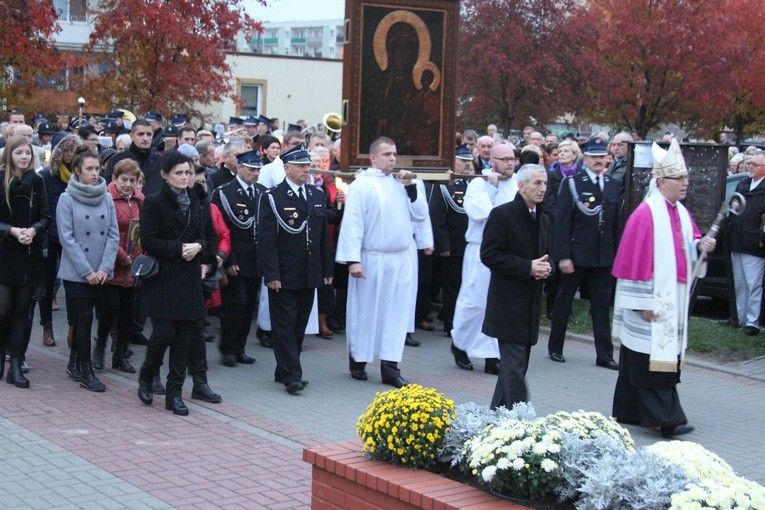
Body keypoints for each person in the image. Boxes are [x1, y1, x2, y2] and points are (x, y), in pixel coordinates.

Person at [611, 139, 716, 438]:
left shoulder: (679, 212)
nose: (686, 183)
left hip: (670, 299)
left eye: (686, 177)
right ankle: (667, 419)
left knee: (636, 359)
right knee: (651, 360)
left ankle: (629, 410)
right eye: (679, 178)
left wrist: (700, 245)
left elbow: (689, 245)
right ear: (661, 182)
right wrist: (641, 302)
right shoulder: (645, 216)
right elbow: (632, 262)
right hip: (650, 302)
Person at [335, 137, 428, 387]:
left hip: (400, 259)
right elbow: (354, 222)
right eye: (386, 154)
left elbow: (419, 215)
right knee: (366, 312)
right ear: (373, 157)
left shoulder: (402, 183)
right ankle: (359, 359)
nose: (392, 158)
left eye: (394, 154)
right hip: (372, 258)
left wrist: (411, 189)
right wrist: (353, 261)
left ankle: (390, 367)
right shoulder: (362, 184)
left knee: (396, 314)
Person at [137, 150, 209, 415]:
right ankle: (147, 375)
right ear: (165, 175)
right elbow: (148, 241)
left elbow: (203, 237)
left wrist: (198, 247)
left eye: (188, 172)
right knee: (163, 334)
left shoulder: (195, 200)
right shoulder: (154, 203)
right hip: (164, 278)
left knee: (184, 338)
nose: (184, 177)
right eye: (178, 173)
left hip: (188, 277)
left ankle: (174, 393)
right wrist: (179, 249)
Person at [258, 145, 333, 394]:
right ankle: (292, 375)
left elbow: (322, 238)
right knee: (285, 325)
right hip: (284, 272)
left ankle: (283, 369)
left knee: (300, 324)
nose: (305, 170)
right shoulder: (272, 196)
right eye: (300, 166)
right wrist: (271, 274)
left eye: (307, 166)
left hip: (309, 271)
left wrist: (326, 268)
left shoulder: (315, 195)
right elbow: (267, 240)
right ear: (287, 168)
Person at [481, 164, 551, 409]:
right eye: (536, 183)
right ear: (521, 186)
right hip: (507, 304)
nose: (542, 189)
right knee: (514, 369)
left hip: (529, 305)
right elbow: (489, 255)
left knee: (514, 368)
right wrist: (527, 267)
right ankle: (520, 422)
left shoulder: (543, 219)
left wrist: (544, 268)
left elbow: (541, 256)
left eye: (544, 183)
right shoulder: (503, 214)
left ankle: (496, 416)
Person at [547, 138, 620, 369]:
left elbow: (616, 223)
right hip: (577, 253)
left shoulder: (612, 183)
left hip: (602, 256)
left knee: (601, 305)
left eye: (602, 156)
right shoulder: (572, 183)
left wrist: (616, 254)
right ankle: (555, 347)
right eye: (594, 157)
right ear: (585, 159)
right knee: (564, 301)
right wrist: (564, 256)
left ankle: (605, 355)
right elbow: (561, 222)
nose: (599, 161)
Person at [450, 143, 519, 374]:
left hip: (507, 254)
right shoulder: (479, 183)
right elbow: (480, 212)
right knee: (475, 302)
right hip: (481, 251)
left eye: (512, 158)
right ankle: (459, 343)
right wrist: (492, 188)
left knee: (499, 305)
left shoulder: (517, 183)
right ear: (492, 161)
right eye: (505, 159)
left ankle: (491, 355)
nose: (510, 163)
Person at [57, 146, 120, 392]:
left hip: (102, 271)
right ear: (77, 171)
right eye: (90, 169)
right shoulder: (67, 198)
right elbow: (67, 238)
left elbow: (113, 234)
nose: (95, 173)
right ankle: (85, 369)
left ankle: (75, 361)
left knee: (101, 314)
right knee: (83, 320)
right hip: (77, 272)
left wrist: (104, 267)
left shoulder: (105, 196)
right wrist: (87, 272)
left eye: (97, 168)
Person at [0, 136, 50, 387]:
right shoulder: (1, 180)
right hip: (4, 252)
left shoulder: (37, 182)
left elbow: (45, 216)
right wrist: (11, 230)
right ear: (9, 154)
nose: (24, 157)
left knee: (22, 312)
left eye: (27, 153)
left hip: (29, 255)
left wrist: (33, 230)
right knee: (3, 309)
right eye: (19, 153)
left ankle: (16, 362)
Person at [211, 150, 264, 367]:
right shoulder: (224, 192)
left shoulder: (262, 192)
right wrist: (229, 260)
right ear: (239, 168)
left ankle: (240, 347)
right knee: (236, 305)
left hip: (255, 259)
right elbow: (220, 230)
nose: (255, 174)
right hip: (235, 259)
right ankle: (228, 348)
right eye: (251, 169)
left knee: (249, 305)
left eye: (258, 170)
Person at [93, 159, 144, 374]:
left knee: (127, 314)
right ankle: (99, 349)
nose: (128, 184)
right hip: (112, 264)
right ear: (114, 178)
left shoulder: (140, 200)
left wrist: (139, 256)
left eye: (133, 180)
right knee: (108, 311)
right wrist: (122, 257)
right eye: (124, 179)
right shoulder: (106, 198)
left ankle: (120, 355)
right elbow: (104, 233)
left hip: (133, 266)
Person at [39, 134, 84, 348]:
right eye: (67, 151)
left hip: (72, 238)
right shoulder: (47, 177)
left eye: (74, 151)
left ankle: (72, 328)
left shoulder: (79, 178)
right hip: (49, 236)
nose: (70, 155)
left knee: (72, 285)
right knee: (47, 284)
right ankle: (47, 326)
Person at [430, 144, 472, 336]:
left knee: (467, 287)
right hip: (453, 247)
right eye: (463, 161)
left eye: (470, 161)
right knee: (452, 288)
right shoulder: (445, 185)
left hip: (470, 246)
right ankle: (451, 324)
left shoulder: (474, 185)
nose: (467, 165)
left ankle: (464, 324)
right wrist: (443, 246)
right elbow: (438, 218)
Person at [728, 149, 765, 336]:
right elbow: (732, 207)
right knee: (739, 283)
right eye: (749, 164)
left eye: (754, 164)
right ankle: (739, 317)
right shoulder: (743, 183)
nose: (749, 167)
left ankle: (752, 321)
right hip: (737, 239)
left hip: (754, 243)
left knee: (753, 284)